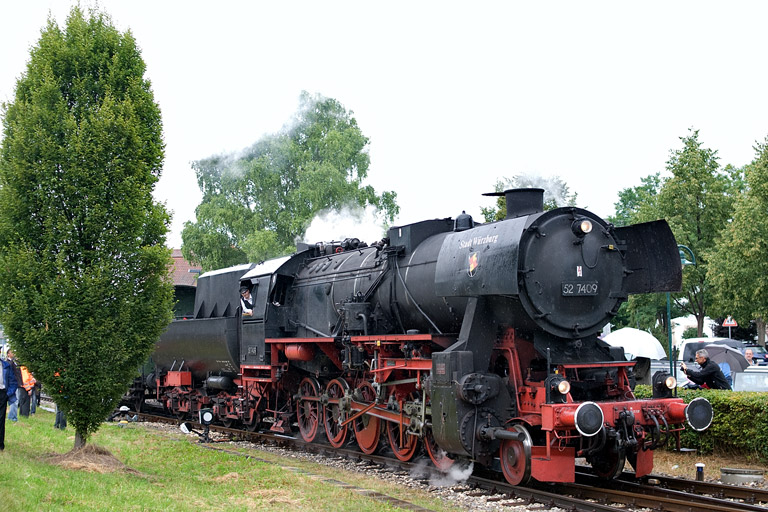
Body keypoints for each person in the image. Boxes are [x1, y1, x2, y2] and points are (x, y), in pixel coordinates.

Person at [1, 352, 19, 451]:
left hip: (2, 393)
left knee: (1, 419)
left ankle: (0, 444)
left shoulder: (6, 366)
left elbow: (13, 381)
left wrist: (8, 394)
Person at [5, 350, 22, 423]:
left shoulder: (14, 362)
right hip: (11, 385)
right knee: (14, 401)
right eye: (12, 352)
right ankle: (12, 417)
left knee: (15, 401)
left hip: (16, 384)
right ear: (8, 354)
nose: (14, 354)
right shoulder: (8, 363)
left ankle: (12, 416)